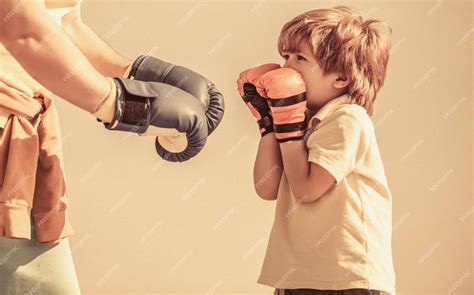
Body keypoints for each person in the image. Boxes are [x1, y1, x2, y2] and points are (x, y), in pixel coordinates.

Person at [0, 0, 224, 293]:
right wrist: (126, 105)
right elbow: (21, 28)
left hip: (21, 140)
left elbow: (63, 21)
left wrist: (134, 73)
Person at [237, 6, 396, 295]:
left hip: (346, 276)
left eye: (300, 58)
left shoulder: (348, 118)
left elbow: (307, 189)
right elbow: (266, 186)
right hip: (297, 273)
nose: (286, 67)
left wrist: (287, 129)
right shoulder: (301, 122)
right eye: (285, 56)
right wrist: (270, 125)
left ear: (342, 78)